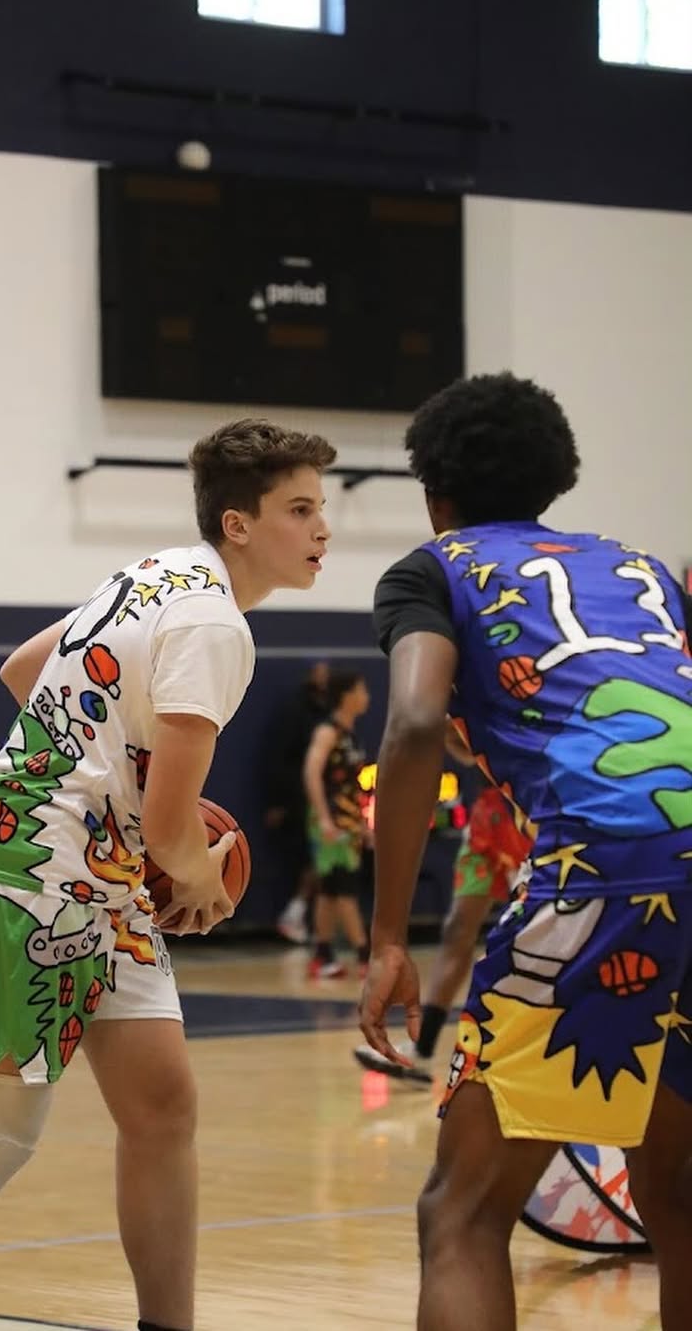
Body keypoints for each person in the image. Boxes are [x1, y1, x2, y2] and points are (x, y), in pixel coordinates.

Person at [0, 418, 335, 1331]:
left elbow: (24, 670)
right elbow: (170, 831)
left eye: (321, 508)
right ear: (238, 524)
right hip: (28, 858)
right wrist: (201, 878)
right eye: (299, 509)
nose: (322, 528)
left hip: (97, 866)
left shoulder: (159, 572)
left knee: (162, 1109)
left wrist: (117, 782)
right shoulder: (214, 625)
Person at [357, 371, 692, 1331]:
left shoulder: (434, 569)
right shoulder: (641, 570)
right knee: (678, 1191)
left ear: (435, 496)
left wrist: (390, 937)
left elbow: (414, 721)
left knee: (460, 1214)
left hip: (606, 866)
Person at [354, 720, 530, 1082]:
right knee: (457, 928)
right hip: (488, 814)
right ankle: (423, 1049)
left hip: (528, 812)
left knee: (528, 936)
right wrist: (455, 727)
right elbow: (461, 748)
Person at [302, 670, 372, 979]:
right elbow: (311, 773)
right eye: (362, 689)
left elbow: (353, 787)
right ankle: (365, 954)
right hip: (330, 821)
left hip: (348, 820)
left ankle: (322, 954)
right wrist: (324, 818)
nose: (367, 696)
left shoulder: (350, 734)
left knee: (330, 890)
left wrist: (364, 823)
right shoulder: (327, 731)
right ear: (347, 696)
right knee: (344, 888)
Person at [264, 660, 333, 944]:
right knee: (315, 861)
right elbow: (280, 758)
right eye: (320, 674)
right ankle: (297, 915)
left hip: (326, 800)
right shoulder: (296, 712)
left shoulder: (327, 713)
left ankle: (317, 930)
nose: (324, 678)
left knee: (325, 866)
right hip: (301, 799)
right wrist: (278, 802)